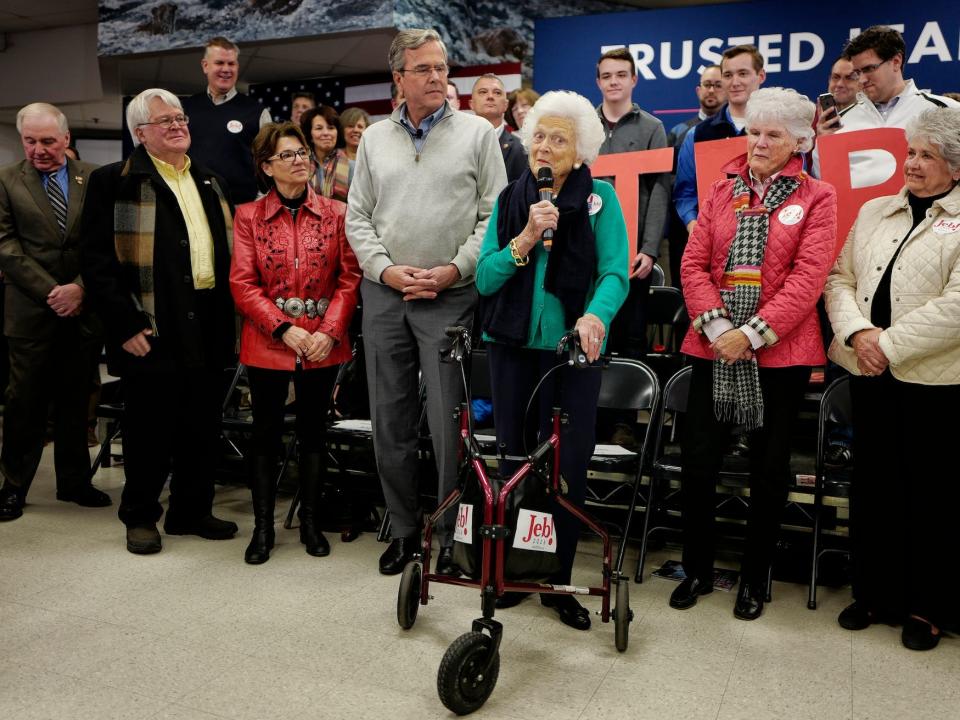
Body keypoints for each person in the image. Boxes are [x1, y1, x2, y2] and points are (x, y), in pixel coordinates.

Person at [346, 28, 506, 576]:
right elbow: (357, 217)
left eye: (442, 67)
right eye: (424, 69)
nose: (438, 77)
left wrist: (453, 270)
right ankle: (405, 532)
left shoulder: (478, 135)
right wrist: (387, 270)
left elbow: (495, 217)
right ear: (399, 79)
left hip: (449, 297)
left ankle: (448, 536)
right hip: (386, 297)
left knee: (446, 425)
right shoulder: (372, 139)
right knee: (389, 420)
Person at [671, 88, 836, 620]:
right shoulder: (721, 190)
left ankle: (754, 576)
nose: (760, 142)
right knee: (698, 463)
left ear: (799, 141)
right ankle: (696, 568)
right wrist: (722, 329)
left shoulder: (818, 197)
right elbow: (693, 266)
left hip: (779, 354)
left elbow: (809, 280)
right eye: (754, 132)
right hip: (713, 347)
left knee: (768, 471)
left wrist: (753, 333)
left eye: (773, 135)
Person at [476, 90, 629, 630]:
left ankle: (558, 580)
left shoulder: (600, 201)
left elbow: (614, 272)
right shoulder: (510, 200)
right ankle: (518, 568)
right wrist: (523, 238)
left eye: (559, 139)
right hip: (511, 348)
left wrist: (594, 317)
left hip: (572, 355)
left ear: (580, 151)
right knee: (514, 462)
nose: (545, 146)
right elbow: (486, 277)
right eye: (539, 135)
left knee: (565, 467)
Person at [824, 107, 960, 651]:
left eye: (928, 156)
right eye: (912, 152)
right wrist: (859, 336)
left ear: (955, 166)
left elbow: (957, 306)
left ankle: (928, 607)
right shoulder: (876, 210)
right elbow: (840, 279)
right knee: (875, 487)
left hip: (934, 382)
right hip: (870, 373)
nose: (914, 164)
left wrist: (889, 344)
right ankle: (875, 593)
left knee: (932, 495)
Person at [80, 88, 238, 554]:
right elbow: (96, 263)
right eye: (164, 120)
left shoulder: (210, 180)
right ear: (139, 134)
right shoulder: (115, 182)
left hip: (208, 319)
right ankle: (140, 516)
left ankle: (192, 510)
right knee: (150, 429)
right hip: (149, 324)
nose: (177, 125)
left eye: (181, 117)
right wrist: (124, 326)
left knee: (202, 424)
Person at [230, 122, 361, 564]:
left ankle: (309, 523)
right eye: (287, 155)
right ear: (267, 166)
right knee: (265, 435)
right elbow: (243, 284)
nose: (300, 160)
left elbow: (349, 278)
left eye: (302, 152)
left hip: (323, 344)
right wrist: (285, 328)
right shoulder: (247, 215)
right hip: (268, 342)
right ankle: (262, 527)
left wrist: (327, 332)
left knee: (313, 435)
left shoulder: (337, 213)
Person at [0, 103, 107, 521]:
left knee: (76, 399)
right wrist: (54, 292)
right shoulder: (7, 181)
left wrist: (79, 288)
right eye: (30, 141)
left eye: (47, 140)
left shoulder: (95, 177)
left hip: (84, 310)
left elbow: (106, 240)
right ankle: (13, 486)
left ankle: (75, 482)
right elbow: (6, 246)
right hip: (31, 311)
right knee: (24, 402)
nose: (39, 149)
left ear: (66, 139)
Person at [595, 47, 670, 357]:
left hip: (633, 252)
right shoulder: (583, 125)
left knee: (632, 338)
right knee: (591, 333)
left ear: (634, 80)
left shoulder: (652, 127)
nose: (614, 82)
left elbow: (660, 192)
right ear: (598, 81)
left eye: (621, 75)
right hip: (591, 248)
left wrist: (649, 249)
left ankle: (626, 407)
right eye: (607, 76)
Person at [814, 26, 959, 183]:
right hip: (858, 208)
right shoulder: (840, 122)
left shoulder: (946, 110)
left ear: (896, 62)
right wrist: (824, 146)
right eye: (857, 73)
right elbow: (826, 181)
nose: (862, 80)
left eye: (869, 69)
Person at [674, 45, 766, 235]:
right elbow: (685, 192)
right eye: (728, 75)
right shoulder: (697, 135)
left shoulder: (779, 130)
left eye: (743, 73)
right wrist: (693, 224)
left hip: (768, 238)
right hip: (713, 241)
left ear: (761, 76)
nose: (735, 82)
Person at [182, 37, 272, 205]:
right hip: (194, 205)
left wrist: (259, 202)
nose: (226, 69)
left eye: (231, 64)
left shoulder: (257, 112)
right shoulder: (184, 109)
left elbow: (269, 161)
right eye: (219, 63)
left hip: (241, 208)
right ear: (205, 66)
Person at [470, 73, 527, 182]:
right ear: (471, 104)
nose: (490, 96)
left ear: (506, 105)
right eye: (483, 92)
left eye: (497, 93)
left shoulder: (521, 149)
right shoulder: (458, 143)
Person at [300, 105, 352, 204]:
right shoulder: (300, 164)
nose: (326, 133)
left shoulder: (353, 167)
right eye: (319, 128)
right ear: (310, 135)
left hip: (343, 218)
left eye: (331, 128)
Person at [666, 65, 726, 148]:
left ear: (727, 91)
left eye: (718, 85)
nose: (711, 90)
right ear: (698, 91)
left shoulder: (736, 128)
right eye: (707, 84)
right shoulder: (678, 131)